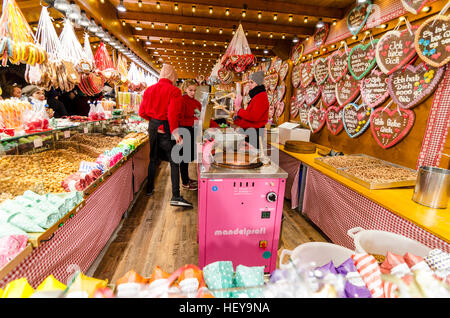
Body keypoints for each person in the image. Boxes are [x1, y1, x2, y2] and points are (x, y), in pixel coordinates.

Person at [139, 64, 193, 208]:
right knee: (174, 160)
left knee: (153, 159)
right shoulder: (174, 91)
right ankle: (176, 195)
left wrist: (154, 123)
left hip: (153, 127)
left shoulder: (149, 90)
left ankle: (149, 189)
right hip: (167, 127)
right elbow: (172, 114)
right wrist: (176, 133)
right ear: (172, 76)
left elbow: (142, 112)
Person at [232, 71, 269, 150]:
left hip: (255, 133)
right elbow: (250, 116)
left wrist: (239, 111)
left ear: (258, 83)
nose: (249, 84)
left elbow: (253, 116)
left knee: (252, 158)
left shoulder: (261, 97)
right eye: (249, 82)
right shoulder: (257, 96)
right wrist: (237, 120)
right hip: (251, 131)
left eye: (251, 82)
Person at [179, 79, 201, 191]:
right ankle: (185, 182)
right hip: (184, 130)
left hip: (192, 131)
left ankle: (187, 178)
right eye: (190, 90)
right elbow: (180, 120)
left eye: (194, 90)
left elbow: (199, 114)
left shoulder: (196, 102)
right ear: (185, 89)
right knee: (184, 158)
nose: (192, 92)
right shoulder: (182, 101)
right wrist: (194, 121)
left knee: (188, 157)